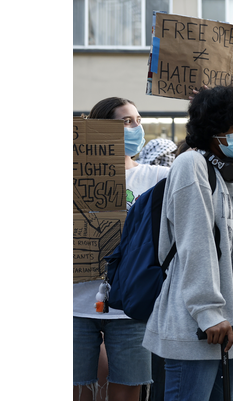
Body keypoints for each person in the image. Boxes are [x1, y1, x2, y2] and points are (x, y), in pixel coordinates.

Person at [141, 85, 233, 401]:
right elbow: (193, 243)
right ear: (213, 131)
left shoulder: (227, 174)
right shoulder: (191, 165)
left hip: (229, 325)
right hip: (198, 327)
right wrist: (209, 312)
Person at [74, 97, 169, 401]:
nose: (136, 127)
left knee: (129, 388)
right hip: (74, 302)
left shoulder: (156, 178)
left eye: (139, 120)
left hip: (130, 305)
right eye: (127, 121)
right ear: (101, 129)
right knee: (76, 389)